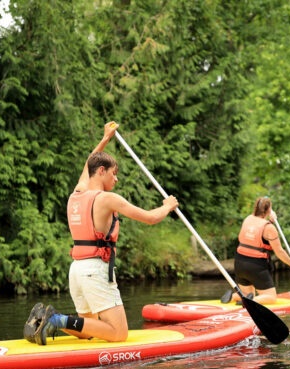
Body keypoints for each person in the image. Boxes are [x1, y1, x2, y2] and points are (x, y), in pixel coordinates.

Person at [24, 121, 179, 345]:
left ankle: (48, 320)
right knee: (118, 333)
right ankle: (55, 319)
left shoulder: (77, 193)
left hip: (77, 270)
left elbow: (89, 164)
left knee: (88, 329)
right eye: (114, 174)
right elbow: (151, 218)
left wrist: (106, 138)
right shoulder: (107, 199)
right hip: (95, 270)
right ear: (101, 171)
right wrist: (167, 206)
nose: (116, 179)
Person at [222, 196, 290, 305]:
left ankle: (234, 297)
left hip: (239, 263)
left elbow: (257, 230)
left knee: (246, 293)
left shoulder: (248, 219)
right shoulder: (269, 228)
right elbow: (279, 252)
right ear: (269, 210)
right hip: (255, 266)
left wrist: (270, 221)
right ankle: (250, 301)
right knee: (271, 298)